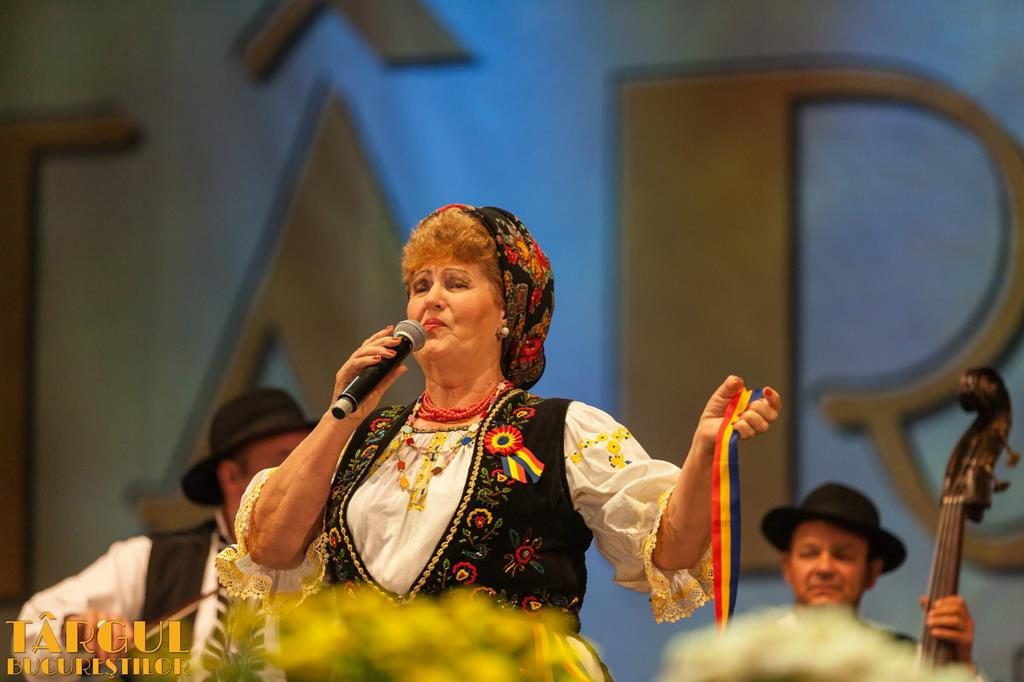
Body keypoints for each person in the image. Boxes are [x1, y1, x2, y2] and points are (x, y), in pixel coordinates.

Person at [216, 204, 783, 678]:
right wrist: (341, 418)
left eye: (457, 283)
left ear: (506, 312)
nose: (431, 299)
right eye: (420, 285)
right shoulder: (363, 436)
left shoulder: (563, 431)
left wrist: (703, 454)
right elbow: (267, 548)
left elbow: (670, 553)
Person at [14, 388, 314, 681]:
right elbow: (31, 633)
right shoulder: (151, 558)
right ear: (232, 477)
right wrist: (78, 629)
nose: (303, 477)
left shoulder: (325, 559)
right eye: (286, 462)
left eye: (308, 461)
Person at [761, 482, 977, 667]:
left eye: (843, 556)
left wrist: (962, 664)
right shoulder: (751, 655)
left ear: (871, 572)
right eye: (810, 553)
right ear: (787, 567)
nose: (824, 568)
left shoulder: (902, 659)